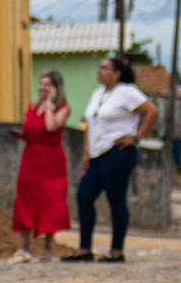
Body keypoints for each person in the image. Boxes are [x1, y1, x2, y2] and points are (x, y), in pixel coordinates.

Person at [62, 55, 158, 263]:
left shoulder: (127, 92)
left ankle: (116, 250)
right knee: (84, 196)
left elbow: (151, 111)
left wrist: (136, 137)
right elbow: (90, 123)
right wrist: (86, 153)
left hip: (117, 152)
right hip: (96, 155)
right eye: (99, 67)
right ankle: (84, 247)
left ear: (117, 73)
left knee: (116, 199)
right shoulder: (97, 94)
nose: (99, 71)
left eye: (104, 68)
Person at [10, 71, 71, 263]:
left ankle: (47, 248)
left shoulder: (62, 108)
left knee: (49, 200)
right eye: (40, 84)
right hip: (30, 159)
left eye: (47, 85)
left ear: (56, 88)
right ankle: (24, 247)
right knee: (25, 199)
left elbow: (51, 127)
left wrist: (49, 105)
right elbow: (32, 129)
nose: (42, 88)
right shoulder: (31, 106)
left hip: (50, 161)